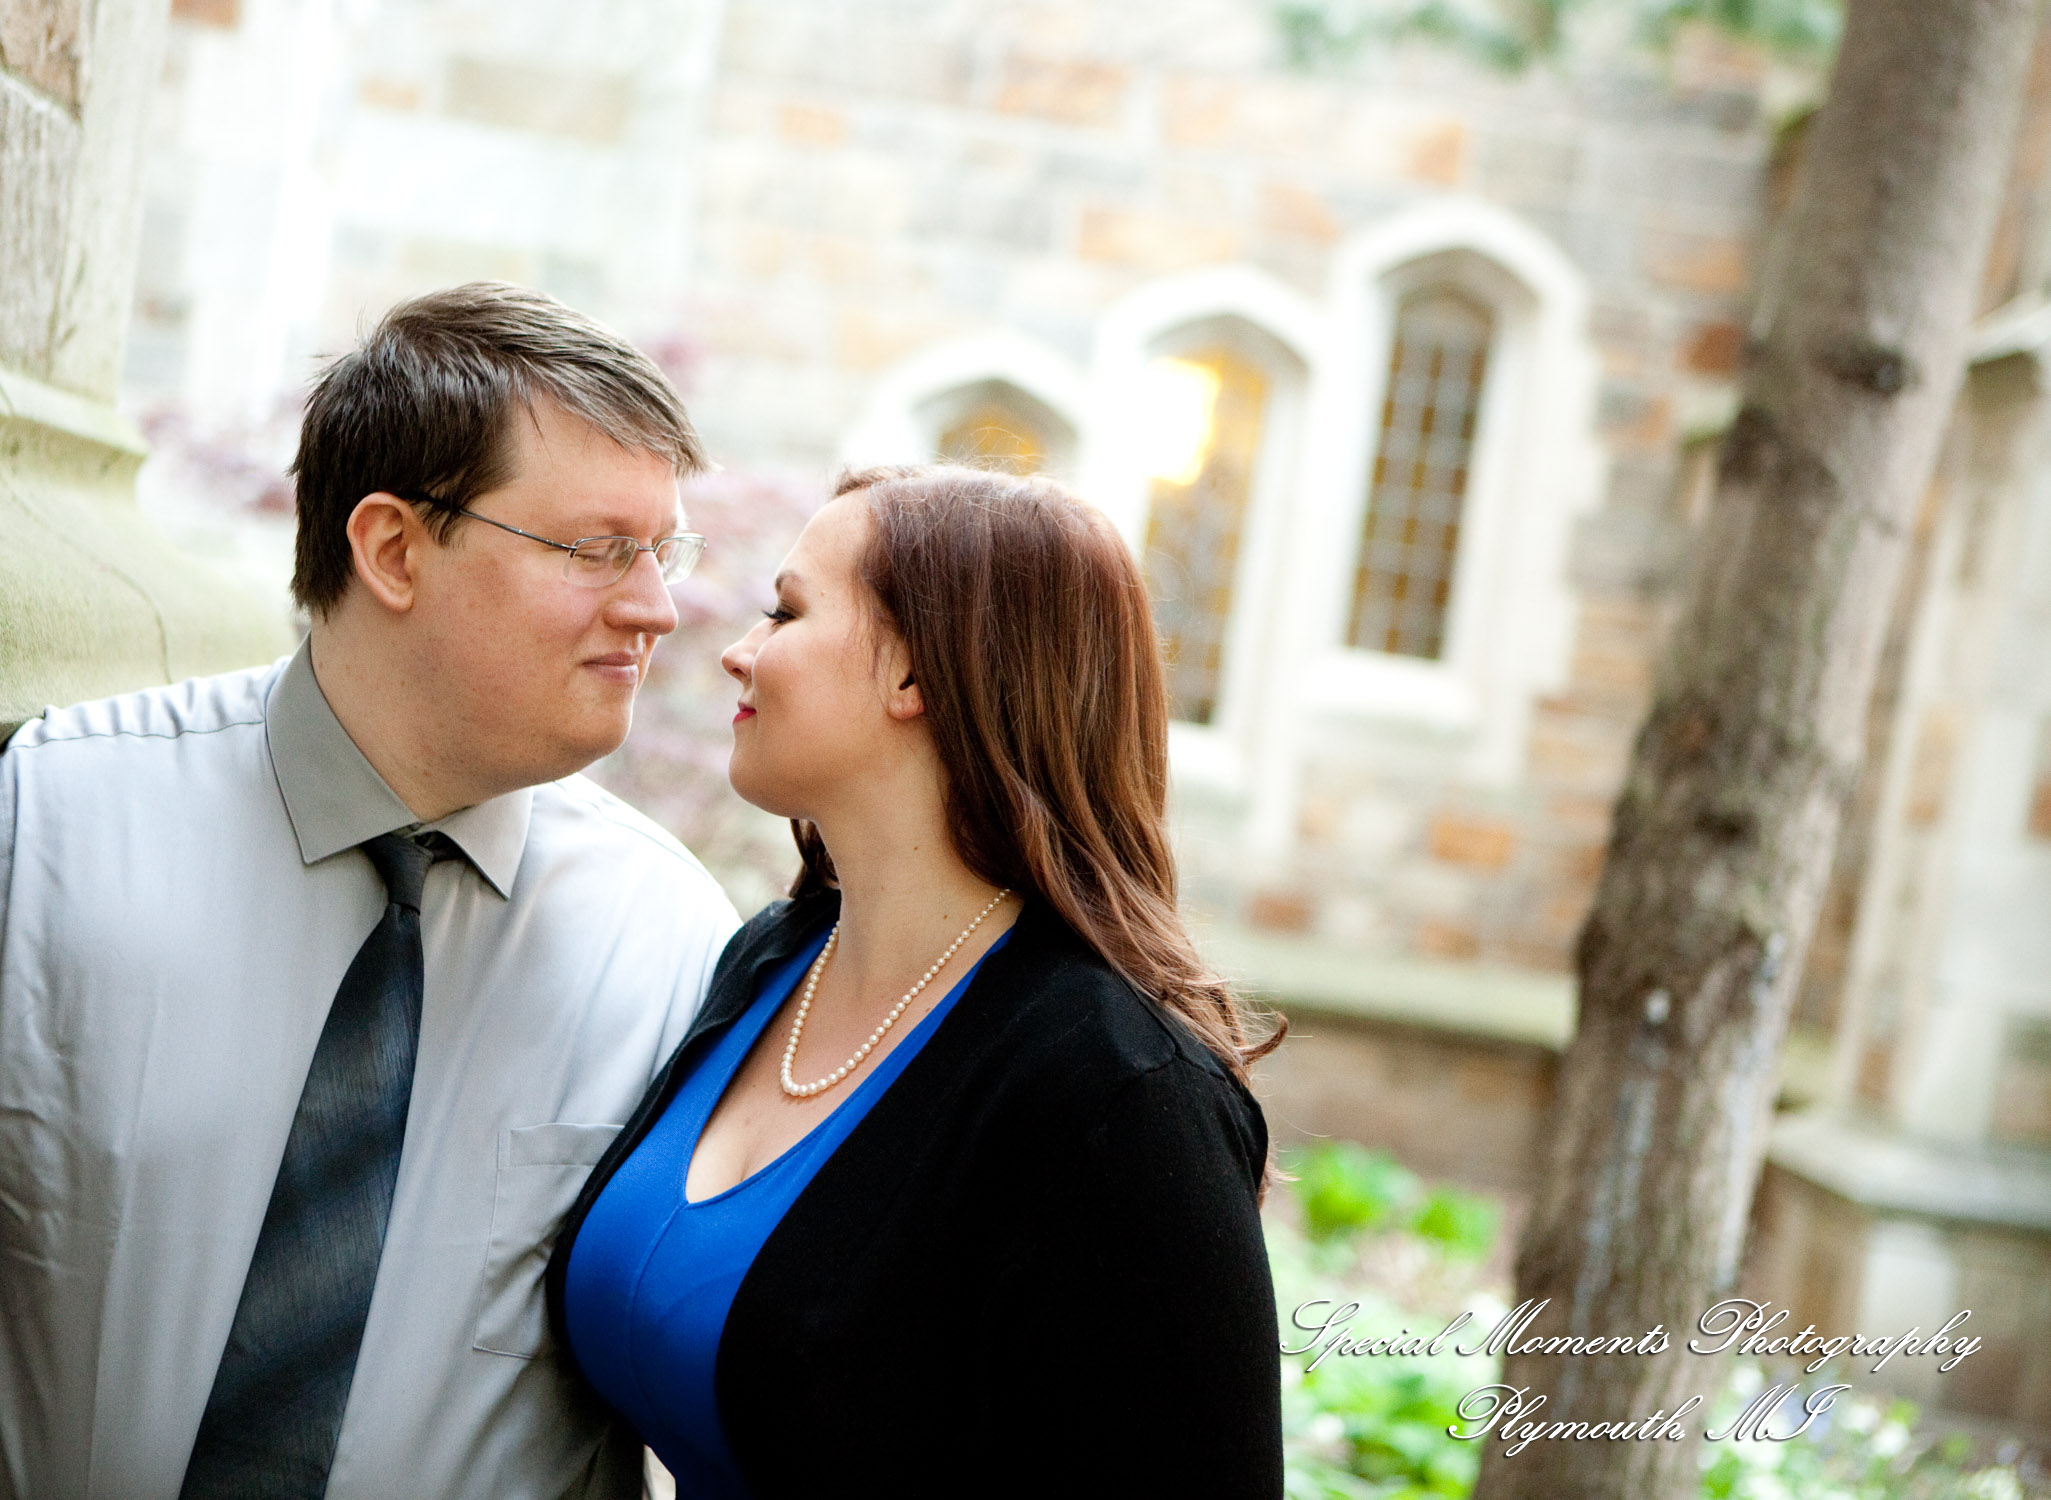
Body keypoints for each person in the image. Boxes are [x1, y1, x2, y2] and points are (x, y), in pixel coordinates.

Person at [0, 283, 740, 1500]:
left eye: (662, 552)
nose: (656, 607)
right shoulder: (47, 828)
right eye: (598, 549)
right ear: (393, 549)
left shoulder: (670, 941)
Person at [546, 464, 1287, 1499]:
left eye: (785, 611)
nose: (734, 648)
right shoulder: (772, 958)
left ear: (915, 675)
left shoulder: (1115, 1093)